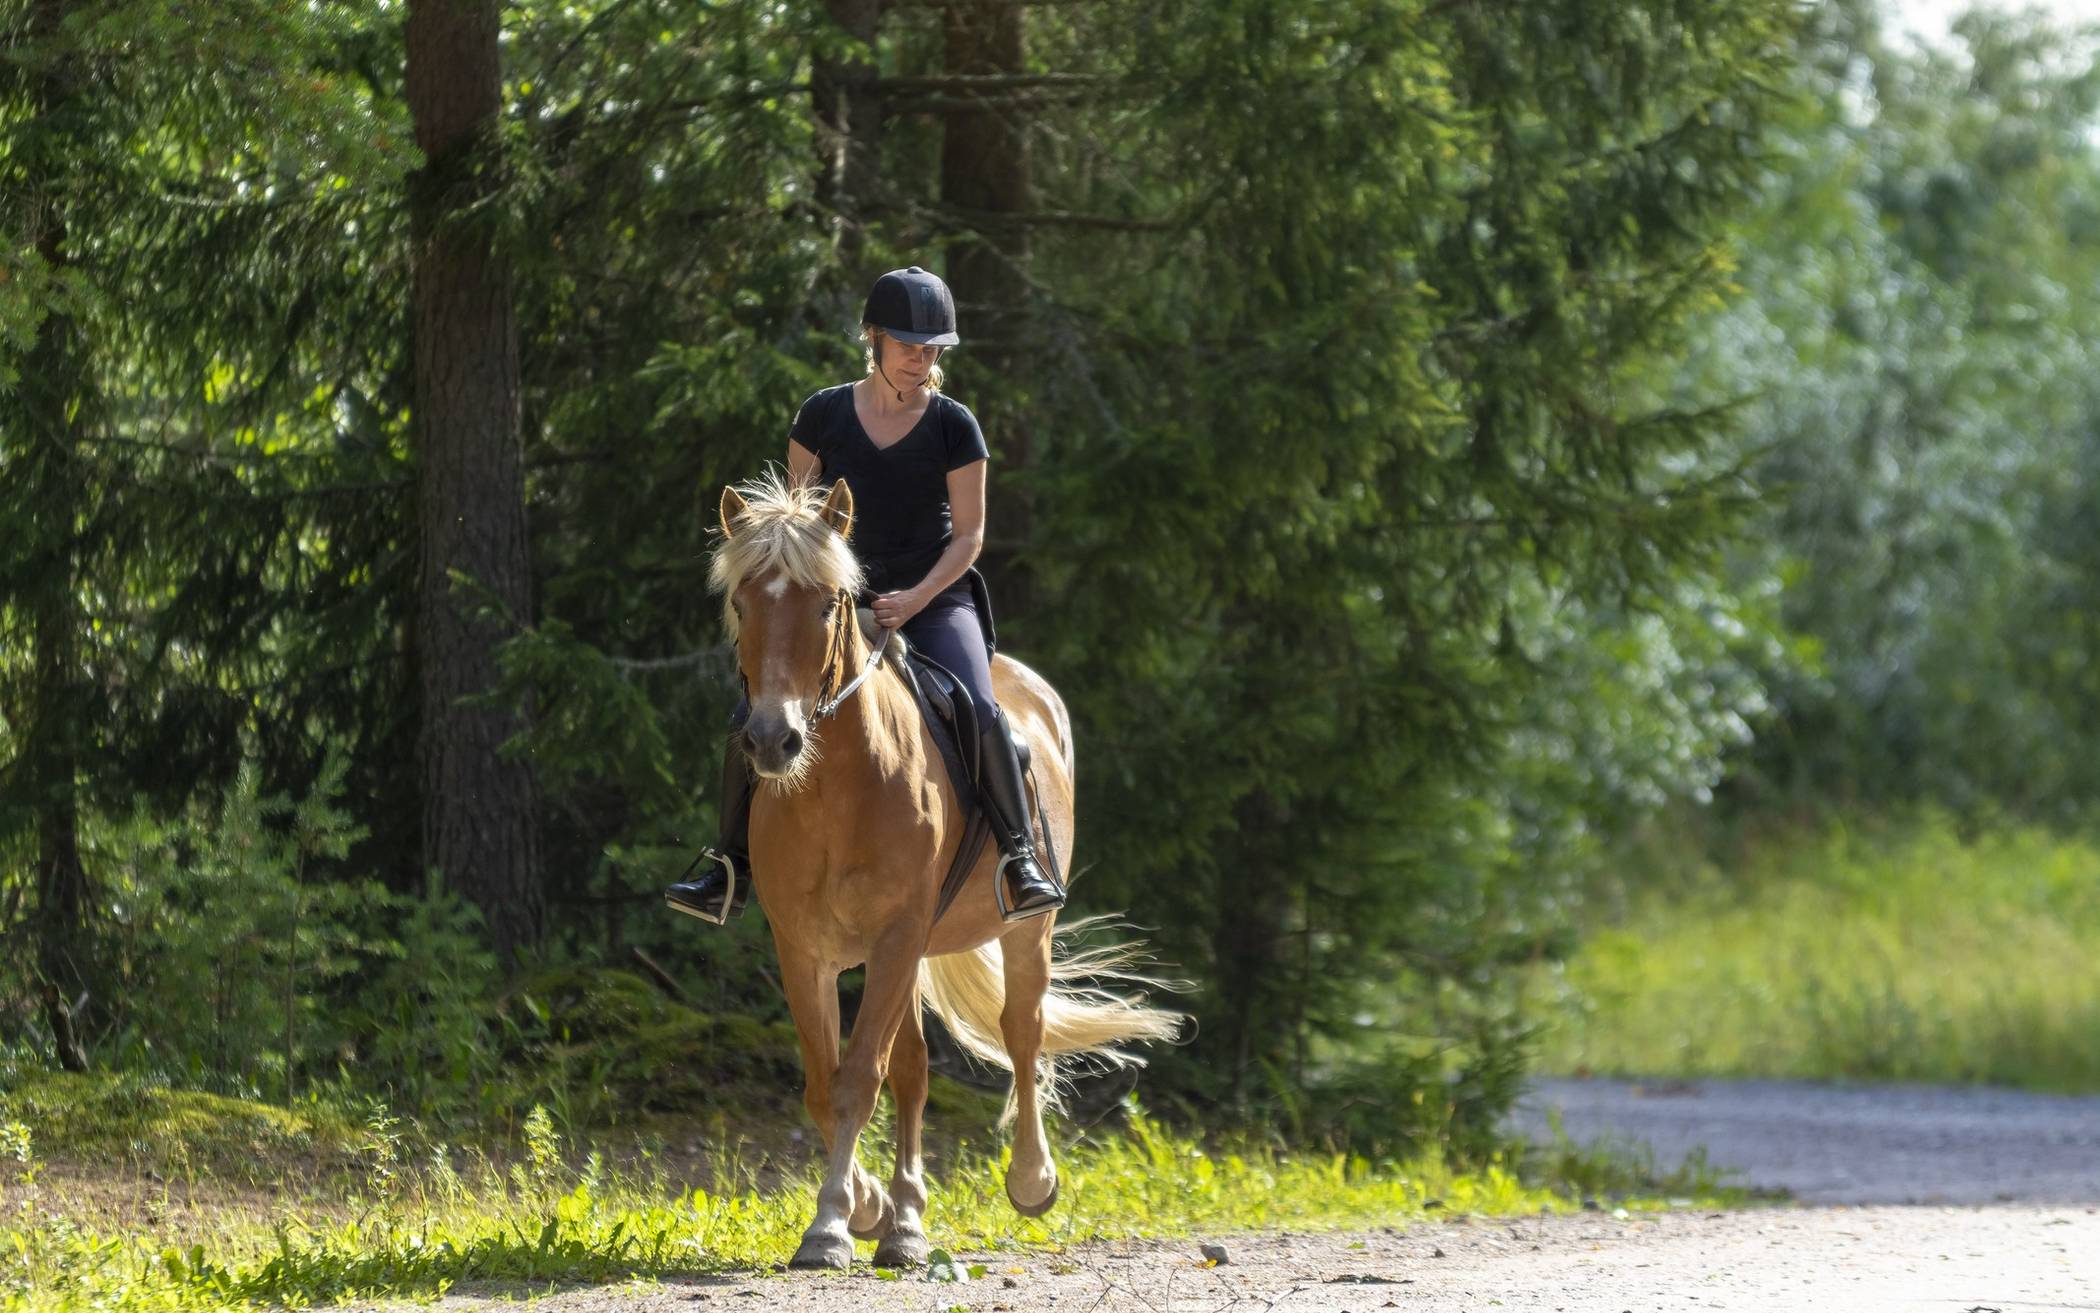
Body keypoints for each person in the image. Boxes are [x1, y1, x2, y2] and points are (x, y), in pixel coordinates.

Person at [665, 266, 1066, 926]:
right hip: (833, 601)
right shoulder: (821, 415)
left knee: (979, 704)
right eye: (909, 345)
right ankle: (726, 866)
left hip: (935, 597)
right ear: (873, 338)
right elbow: (796, 528)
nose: (922, 359)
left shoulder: (954, 426)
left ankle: (1019, 859)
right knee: (751, 713)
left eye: (933, 348)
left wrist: (913, 599)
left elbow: (969, 537)